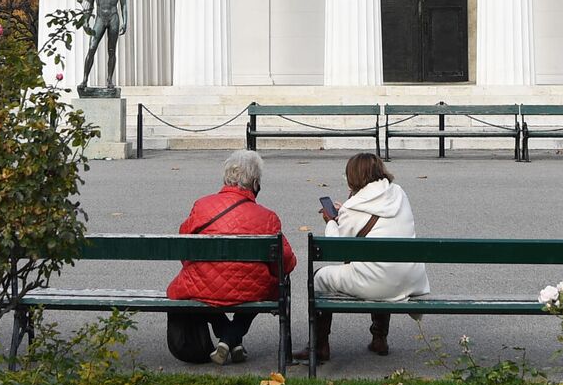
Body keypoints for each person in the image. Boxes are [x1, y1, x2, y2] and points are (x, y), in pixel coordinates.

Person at [165, 150, 297, 365]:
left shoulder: (202, 206)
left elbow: (184, 245)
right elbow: (286, 262)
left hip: (204, 285)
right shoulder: (267, 217)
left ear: (226, 178)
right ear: (255, 183)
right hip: (251, 290)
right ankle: (230, 337)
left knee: (204, 284)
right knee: (267, 287)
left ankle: (227, 338)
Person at [299, 152, 428, 364]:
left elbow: (338, 248)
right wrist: (347, 213)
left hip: (378, 283)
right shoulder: (398, 193)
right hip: (408, 278)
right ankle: (379, 338)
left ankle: (319, 345)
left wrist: (331, 221)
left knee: (320, 277)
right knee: (380, 262)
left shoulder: (353, 206)